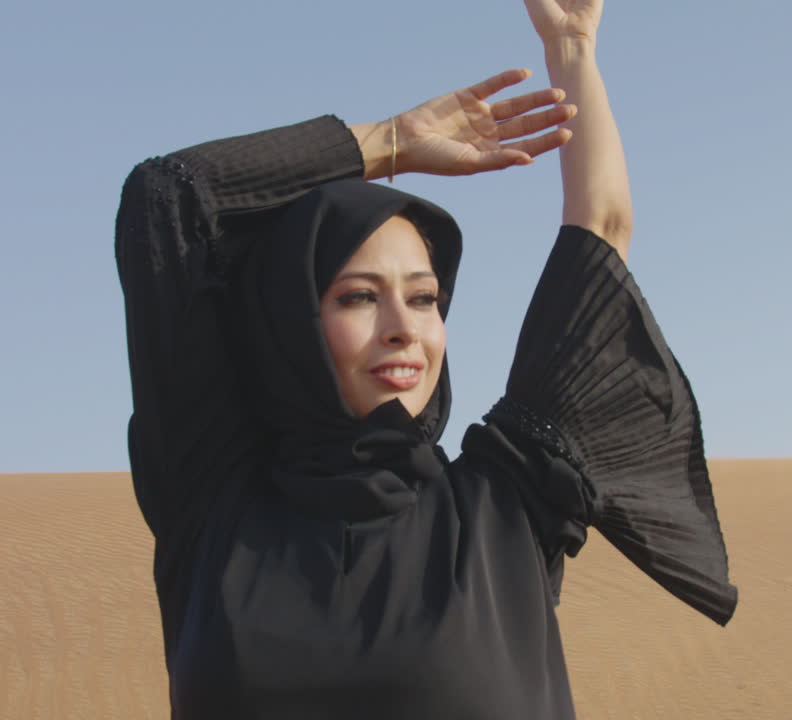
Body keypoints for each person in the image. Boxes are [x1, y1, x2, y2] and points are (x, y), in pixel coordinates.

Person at [115, 1, 736, 717]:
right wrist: (393, 142)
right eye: (357, 297)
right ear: (291, 322)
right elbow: (168, 200)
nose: (404, 329)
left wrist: (572, 45)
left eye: (424, 298)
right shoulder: (213, 498)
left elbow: (601, 228)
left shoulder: (510, 501)